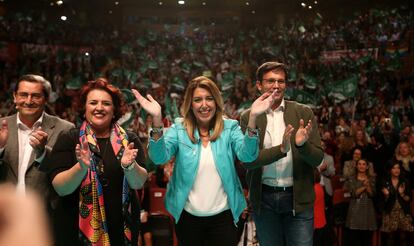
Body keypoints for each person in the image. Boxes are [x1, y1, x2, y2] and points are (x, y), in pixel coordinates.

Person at [133, 75, 276, 245]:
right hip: (187, 218)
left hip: (224, 218)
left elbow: (248, 156)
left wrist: (253, 118)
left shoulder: (230, 127)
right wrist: (157, 120)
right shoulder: (179, 128)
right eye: (198, 100)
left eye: (209, 98)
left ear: (216, 102)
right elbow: (158, 158)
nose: (204, 104)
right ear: (190, 105)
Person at [44, 78, 148, 245]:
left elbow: (138, 183)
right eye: (93, 102)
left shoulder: (129, 140)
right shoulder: (69, 139)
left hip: (120, 230)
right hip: (74, 231)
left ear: (114, 110)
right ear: (84, 109)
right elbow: (61, 189)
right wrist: (81, 167)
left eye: (106, 103)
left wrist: (130, 166)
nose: (99, 108)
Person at [239, 61, 324, 246]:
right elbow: (248, 162)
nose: (276, 85)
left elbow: (318, 158)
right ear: (259, 85)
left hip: (298, 199)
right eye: (270, 81)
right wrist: (281, 151)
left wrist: (302, 146)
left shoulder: (303, 112)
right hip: (264, 201)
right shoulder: (248, 116)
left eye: (281, 81)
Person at [0, 74, 74, 208]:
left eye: (35, 96)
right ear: (14, 97)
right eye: (23, 95)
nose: (28, 101)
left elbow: (66, 176)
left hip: (43, 216)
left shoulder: (64, 129)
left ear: (45, 99)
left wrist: (42, 153)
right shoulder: (1, 127)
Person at [380, 160, 414, 246]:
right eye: (394, 168)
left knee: (403, 236)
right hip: (390, 211)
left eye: (398, 168)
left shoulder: (405, 181)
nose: (396, 170)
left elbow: (409, 199)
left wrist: (402, 194)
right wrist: (386, 196)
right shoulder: (384, 181)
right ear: (389, 170)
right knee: (390, 236)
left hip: (403, 211)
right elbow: (380, 201)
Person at [344, 159, 377, 246]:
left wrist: (368, 186)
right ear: (356, 166)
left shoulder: (372, 178)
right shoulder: (351, 178)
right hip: (355, 211)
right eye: (359, 164)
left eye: (364, 164)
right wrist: (364, 186)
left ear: (367, 167)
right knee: (354, 240)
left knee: (366, 240)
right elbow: (354, 193)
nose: (361, 166)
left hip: (367, 211)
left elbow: (372, 194)